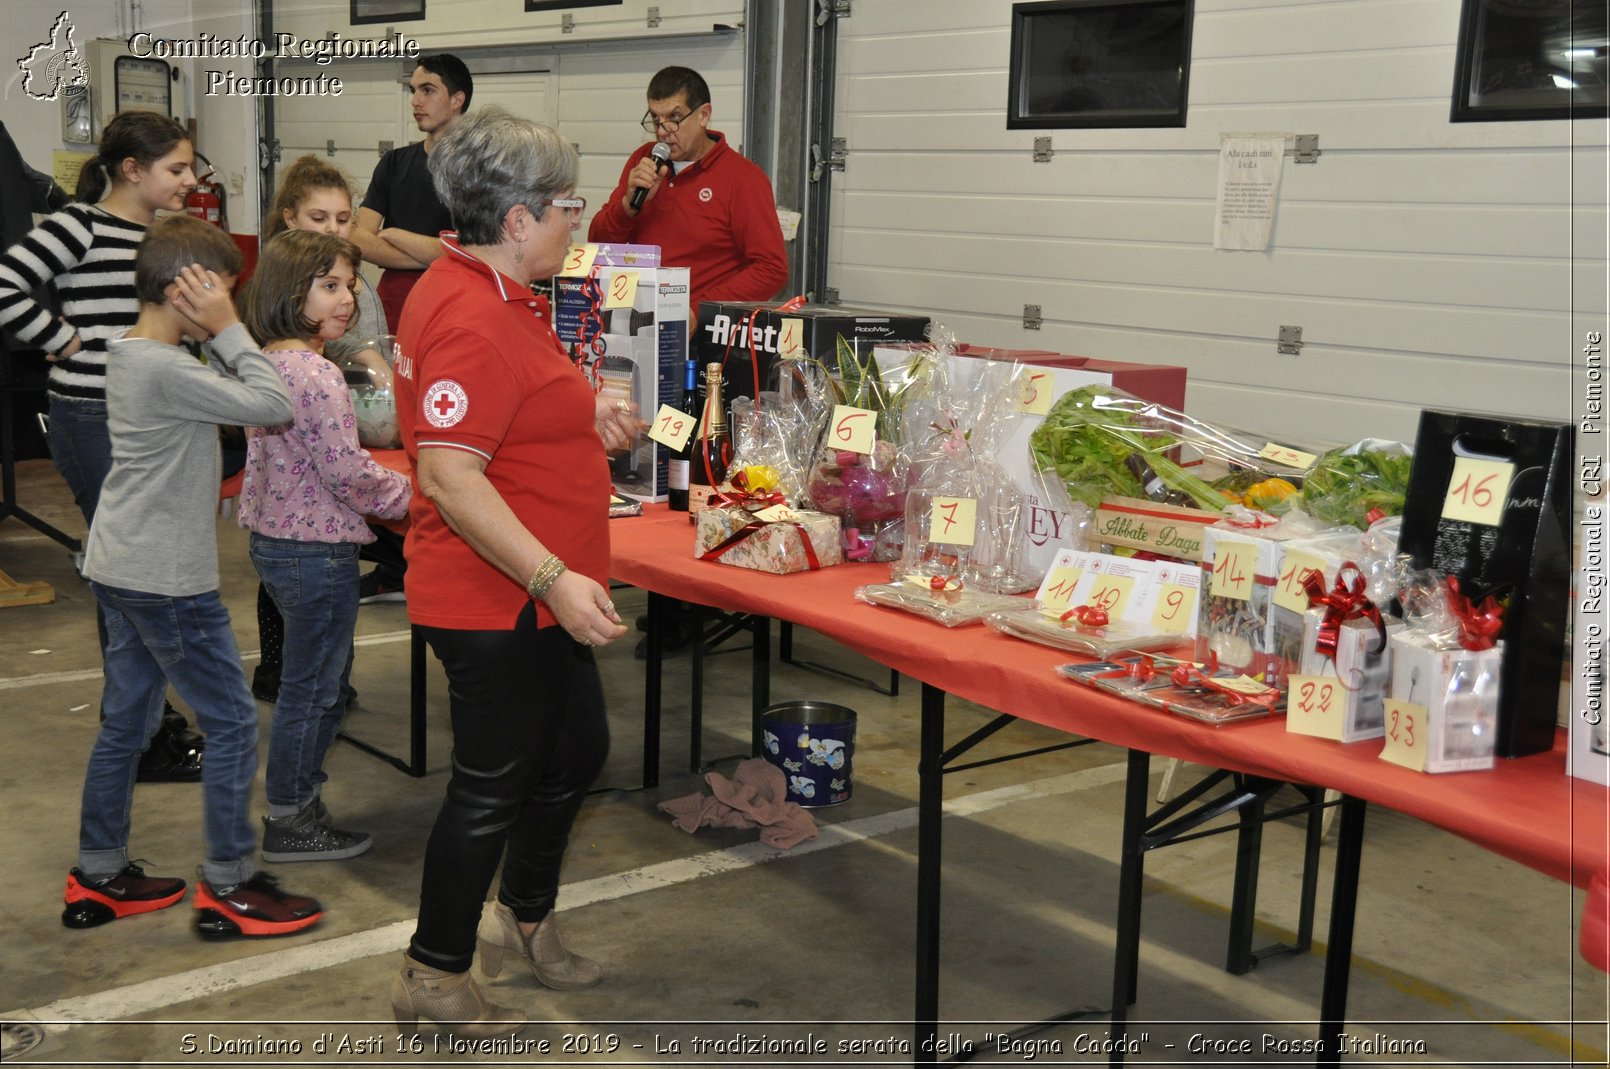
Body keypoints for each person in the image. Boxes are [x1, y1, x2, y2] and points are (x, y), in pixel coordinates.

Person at [388, 106, 641, 1035]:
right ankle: (434, 972)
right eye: (568, 204)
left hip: (534, 593)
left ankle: (523, 915)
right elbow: (452, 476)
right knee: (492, 782)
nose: (578, 219)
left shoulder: (486, 288)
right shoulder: (470, 317)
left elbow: (511, 412)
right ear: (520, 219)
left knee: (574, 753)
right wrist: (551, 579)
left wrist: (587, 414)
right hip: (497, 596)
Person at [61, 215, 323, 939]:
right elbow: (275, 403)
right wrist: (229, 328)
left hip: (120, 563)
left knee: (128, 721)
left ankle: (99, 869)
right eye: (222, 293)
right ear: (193, 292)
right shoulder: (171, 368)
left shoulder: (132, 354)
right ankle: (231, 883)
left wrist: (210, 331)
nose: (228, 306)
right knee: (235, 722)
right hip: (165, 580)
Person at [0, 110, 207, 783]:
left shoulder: (160, 233)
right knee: (128, 579)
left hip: (150, 423)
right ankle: (141, 735)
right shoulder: (79, 225)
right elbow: (5, 286)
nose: (189, 179)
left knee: (139, 576)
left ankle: (146, 723)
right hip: (94, 419)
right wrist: (64, 340)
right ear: (131, 170)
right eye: (176, 169)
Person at [236, 229, 412, 863]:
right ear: (290, 291)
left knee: (310, 683)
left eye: (350, 285)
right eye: (330, 286)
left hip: (275, 543)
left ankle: (295, 804)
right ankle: (292, 814)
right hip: (316, 550)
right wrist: (417, 499)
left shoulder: (265, 361)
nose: (347, 298)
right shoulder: (318, 374)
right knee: (316, 690)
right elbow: (349, 474)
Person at [250, 155, 391, 703]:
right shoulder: (309, 367)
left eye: (342, 219)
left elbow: (373, 355)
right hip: (311, 520)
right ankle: (290, 694)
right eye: (319, 217)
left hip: (289, 517)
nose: (334, 229)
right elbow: (344, 471)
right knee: (312, 682)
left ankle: (305, 694)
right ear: (289, 219)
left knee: (310, 671)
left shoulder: (293, 355)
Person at [350, 55, 471, 604]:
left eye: (429, 89)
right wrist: (428, 248)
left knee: (436, 435)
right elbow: (358, 238)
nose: (417, 99)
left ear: (457, 100)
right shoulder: (394, 164)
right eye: (413, 90)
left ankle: (433, 555)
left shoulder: (472, 168)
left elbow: (467, 251)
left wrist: (396, 235)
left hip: (448, 312)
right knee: (385, 438)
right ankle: (393, 561)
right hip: (389, 313)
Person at [587, 65, 788, 316]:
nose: (662, 131)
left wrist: (699, 311)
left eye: (674, 118)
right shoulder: (644, 160)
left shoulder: (743, 179)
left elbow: (770, 269)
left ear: (703, 115)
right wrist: (627, 207)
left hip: (701, 334)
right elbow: (598, 246)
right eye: (655, 119)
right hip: (635, 322)